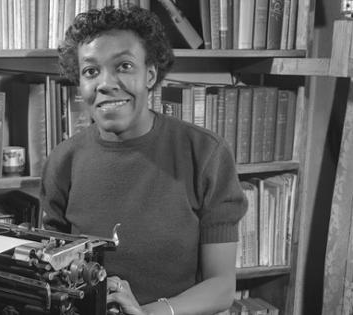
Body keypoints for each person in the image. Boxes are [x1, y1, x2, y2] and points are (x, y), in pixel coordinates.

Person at [40, 5, 247, 315]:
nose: (105, 83)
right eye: (91, 71)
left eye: (123, 65)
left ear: (150, 75)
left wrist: (148, 313)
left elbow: (221, 287)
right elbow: (49, 270)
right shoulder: (63, 160)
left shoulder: (206, 153)